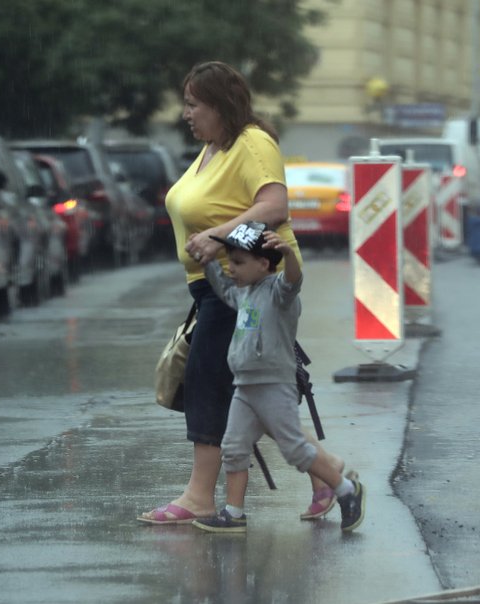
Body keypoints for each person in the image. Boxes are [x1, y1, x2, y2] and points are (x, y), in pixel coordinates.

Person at [137, 61, 339, 525]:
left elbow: (274, 204)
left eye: (193, 104)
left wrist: (217, 237)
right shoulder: (213, 149)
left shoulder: (252, 143)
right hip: (217, 285)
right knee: (251, 389)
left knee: (209, 383)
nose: (185, 114)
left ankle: (199, 498)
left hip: (248, 285)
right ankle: (325, 475)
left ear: (220, 105)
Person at [189, 221, 366, 533]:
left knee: (295, 449)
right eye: (231, 261)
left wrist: (290, 255)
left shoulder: (280, 294)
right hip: (244, 387)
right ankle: (234, 512)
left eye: (239, 262)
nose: (232, 268)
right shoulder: (242, 294)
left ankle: (346, 491)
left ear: (264, 263)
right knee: (233, 447)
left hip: (273, 386)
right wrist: (206, 259)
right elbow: (220, 284)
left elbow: (294, 280)